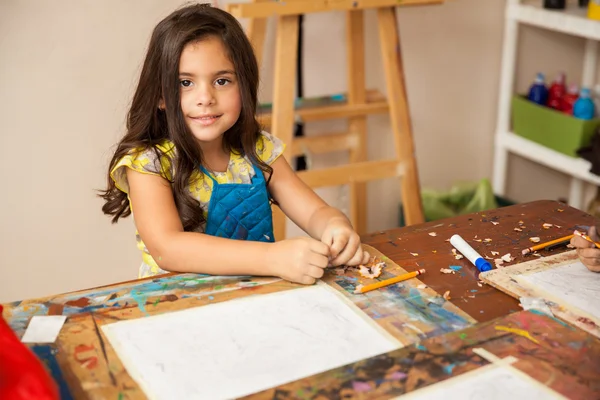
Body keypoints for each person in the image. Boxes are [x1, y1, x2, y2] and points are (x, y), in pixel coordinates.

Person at [100, 3, 369, 284]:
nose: (205, 97)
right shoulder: (149, 163)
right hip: (176, 304)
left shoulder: (258, 149)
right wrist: (273, 258)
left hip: (253, 294)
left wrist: (336, 227)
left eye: (222, 80)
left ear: (245, 86)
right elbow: (168, 248)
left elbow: (314, 211)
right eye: (185, 83)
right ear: (160, 96)